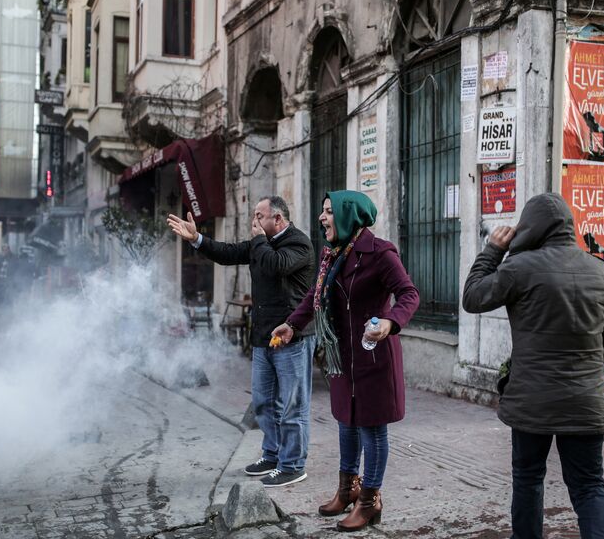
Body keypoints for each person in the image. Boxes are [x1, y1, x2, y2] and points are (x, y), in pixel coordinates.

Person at [462, 193, 604, 539]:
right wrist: (592, 375)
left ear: (532, 227)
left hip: (531, 402)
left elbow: (473, 297)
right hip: (585, 402)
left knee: (528, 478)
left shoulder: (518, 269)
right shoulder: (601, 271)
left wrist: (493, 249)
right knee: (589, 486)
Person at [272, 190, 420, 531]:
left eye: (328, 211)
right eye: (323, 211)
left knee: (371, 427)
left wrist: (390, 322)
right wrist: (293, 324)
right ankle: (347, 489)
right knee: (346, 423)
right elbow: (315, 296)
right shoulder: (332, 255)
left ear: (347, 215)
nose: (322, 218)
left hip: (372, 356)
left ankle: (370, 501)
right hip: (342, 358)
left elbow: (409, 293)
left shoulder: (380, 253)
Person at [168, 196, 316, 487]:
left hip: (292, 337)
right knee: (262, 403)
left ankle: (293, 464)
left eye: (259, 216)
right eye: (253, 216)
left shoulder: (299, 244)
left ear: (278, 219)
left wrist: (258, 240)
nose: (254, 221)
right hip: (264, 337)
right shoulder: (261, 243)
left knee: (292, 405)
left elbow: (276, 266)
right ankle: (272, 455)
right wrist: (197, 238)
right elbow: (227, 253)